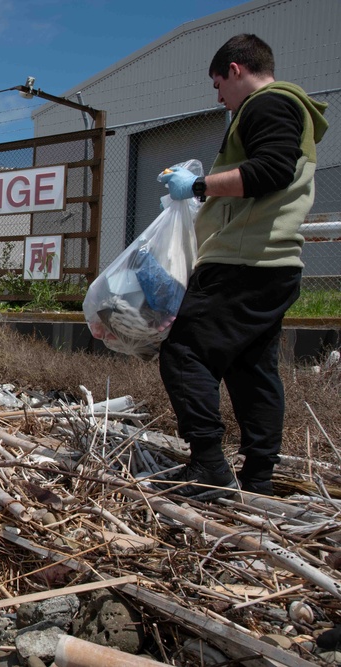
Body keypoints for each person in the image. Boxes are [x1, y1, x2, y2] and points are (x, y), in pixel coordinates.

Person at [157, 34, 328, 500]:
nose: (218, 98)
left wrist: (197, 187)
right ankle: (258, 478)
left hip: (243, 259)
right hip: (275, 262)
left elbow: (269, 171)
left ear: (235, 70)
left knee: (184, 352)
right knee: (252, 369)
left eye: (217, 85)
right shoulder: (292, 111)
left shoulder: (267, 104)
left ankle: (209, 467)